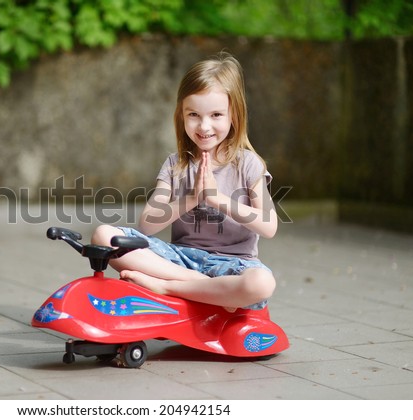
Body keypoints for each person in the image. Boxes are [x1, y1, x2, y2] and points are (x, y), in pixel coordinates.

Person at [91, 51, 278, 312]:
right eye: (193, 115)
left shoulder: (247, 163)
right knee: (104, 236)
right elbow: (147, 225)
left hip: (234, 265)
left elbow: (269, 226)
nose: (204, 126)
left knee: (261, 283)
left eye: (216, 115)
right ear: (181, 114)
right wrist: (191, 198)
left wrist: (217, 199)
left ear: (233, 115)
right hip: (179, 260)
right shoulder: (175, 164)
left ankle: (167, 287)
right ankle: (206, 287)